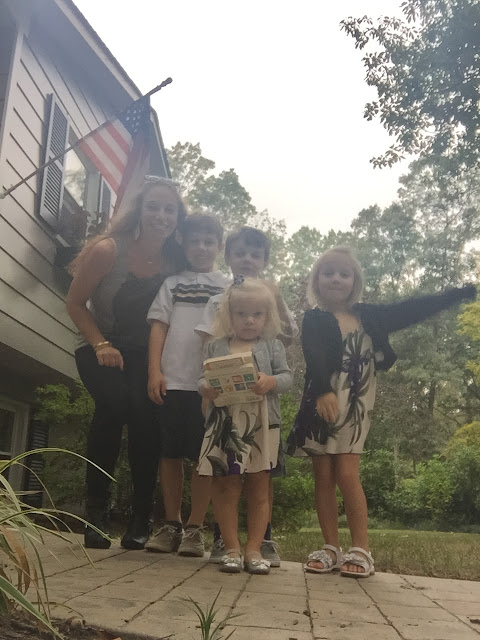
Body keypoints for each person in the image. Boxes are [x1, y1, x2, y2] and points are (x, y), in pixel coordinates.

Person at [286, 247, 476, 578]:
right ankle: (331, 547)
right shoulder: (314, 318)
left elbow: (412, 309)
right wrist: (324, 391)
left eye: (344, 274)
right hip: (322, 401)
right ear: (316, 280)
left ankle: (361, 549)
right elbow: (313, 355)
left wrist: (456, 294)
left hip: (356, 403)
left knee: (347, 473)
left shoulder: (370, 316)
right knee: (323, 475)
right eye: (328, 273)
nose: (336, 279)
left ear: (355, 281)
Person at [66, 176, 187, 550]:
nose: (161, 216)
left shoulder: (177, 260)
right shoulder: (108, 250)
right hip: (101, 345)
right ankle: (96, 514)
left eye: (169, 210)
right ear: (139, 210)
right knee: (115, 405)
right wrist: (101, 343)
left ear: (178, 217)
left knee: (146, 420)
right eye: (154, 207)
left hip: (146, 355)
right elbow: (75, 303)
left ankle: (141, 518)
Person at [196, 226, 298, 567]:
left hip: (262, 425)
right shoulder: (217, 345)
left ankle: (255, 549)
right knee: (226, 487)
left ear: (267, 316)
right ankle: (231, 549)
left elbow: (287, 378)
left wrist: (270, 381)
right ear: (230, 315)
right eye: (242, 314)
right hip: (225, 424)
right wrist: (205, 388)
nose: (249, 320)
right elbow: (202, 379)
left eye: (257, 315)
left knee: (258, 487)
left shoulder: (272, 346)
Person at [145, 214, 229, 557]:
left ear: (219, 246)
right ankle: (172, 524)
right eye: (195, 241)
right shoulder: (172, 284)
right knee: (170, 453)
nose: (201, 247)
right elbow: (159, 326)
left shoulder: (228, 286)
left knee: (203, 457)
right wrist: (154, 371)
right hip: (172, 380)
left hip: (209, 386)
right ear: (183, 243)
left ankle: (196, 528)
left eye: (209, 241)